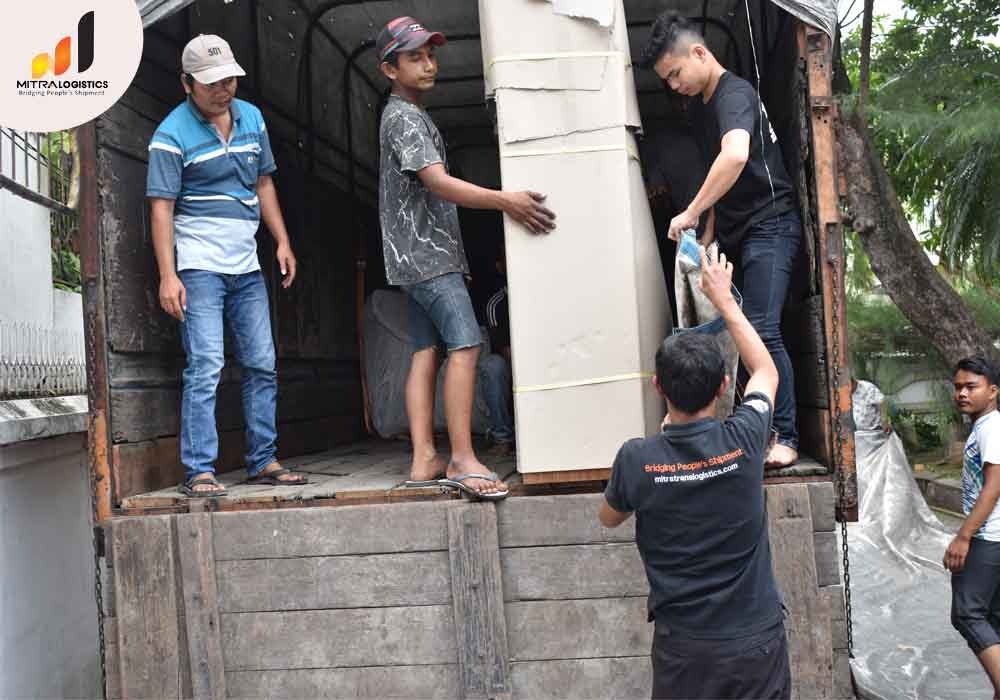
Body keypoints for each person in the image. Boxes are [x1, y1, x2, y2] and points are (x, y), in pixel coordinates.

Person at [376, 17, 555, 500]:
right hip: (429, 259)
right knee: (468, 346)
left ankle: (423, 457)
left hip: (414, 258)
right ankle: (461, 458)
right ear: (389, 68)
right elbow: (436, 182)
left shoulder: (406, 114)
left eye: (431, 55)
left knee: (424, 351)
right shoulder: (405, 119)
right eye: (415, 57)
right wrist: (507, 201)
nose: (429, 64)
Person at [599, 246, 789, 700]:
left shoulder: (636, 459)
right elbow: (765, 370)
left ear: (658, 386)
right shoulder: (743, 439)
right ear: (724, 386)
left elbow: (608, 517)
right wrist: (723, 300)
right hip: (754, 642)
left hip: (683, 649)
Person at [147, 34, 308, 496]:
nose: (224, 88)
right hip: (198, 265)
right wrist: (168, 274)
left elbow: (263, 183)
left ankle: (263, 460)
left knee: (262, 361)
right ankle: (199, 469)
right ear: (187, 83)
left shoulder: (252, 118)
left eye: (230, 78)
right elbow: (161, 208)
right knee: (207, 364)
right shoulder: (170, 135)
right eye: (212, 81)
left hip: (247, 264)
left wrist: (281, 240)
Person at [640, 12, 802, 468]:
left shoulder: (733, 95)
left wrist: (689, 211)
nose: (674, 86)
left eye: (675, 74)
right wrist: (707, 233)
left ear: (699, 53)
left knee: (762, 329)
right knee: (728, 330)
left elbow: (734, 157)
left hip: (771, 224)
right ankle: (742, 425)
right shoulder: (703, 107)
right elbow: (721, 176)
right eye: (666, 80)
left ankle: (785, 433)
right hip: (737, 230)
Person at [944, 356, 1000, 697]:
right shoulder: (984, 428)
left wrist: (963, 536)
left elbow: (993, 486)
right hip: (992, 536)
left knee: (967, 614)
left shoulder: (992, 428)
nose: (962, 393)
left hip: (987, 538)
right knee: (992, 618)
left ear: (992, 391)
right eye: (958, 387)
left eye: (971, 387)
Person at [478, 251, 515, 455]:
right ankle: (502, 437)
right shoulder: (496, 303)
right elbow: (503, 348)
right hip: (513, 364)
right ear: (500, 267)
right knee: (492, 365)